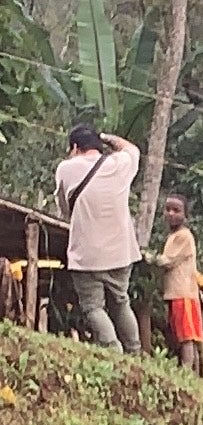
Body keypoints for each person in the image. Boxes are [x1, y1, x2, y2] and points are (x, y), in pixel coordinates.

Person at [55, 119, 142, 353]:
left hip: (86, 253)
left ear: (74, 148)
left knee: (93, 307)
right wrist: (106, 137)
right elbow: (132, 149)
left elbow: (64, 209)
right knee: (121, 301)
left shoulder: (66, 168)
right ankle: (135, 352)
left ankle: (113, 351)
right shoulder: (120, 164)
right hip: (121, 251)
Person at [158, 194, 203, 372]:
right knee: (185, 335)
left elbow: (167, 261)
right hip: (178, 293)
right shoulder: (174, 236)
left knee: (186, 336)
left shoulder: (183, 236)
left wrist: (147, 257)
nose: (170, 213)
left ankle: (187, 373)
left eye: (176, 210)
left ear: (185, 215)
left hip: (183, 293)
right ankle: (192, 374)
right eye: (167, 209)